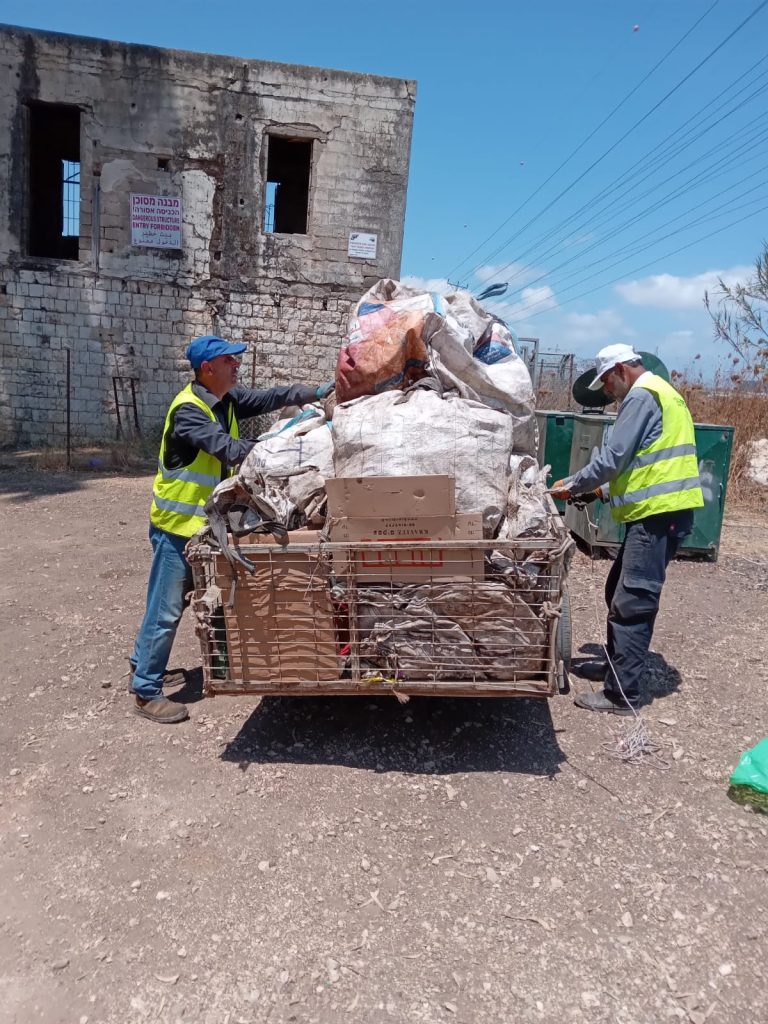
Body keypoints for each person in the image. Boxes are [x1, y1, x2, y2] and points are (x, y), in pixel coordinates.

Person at [130, 334, 334, 724]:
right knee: (167, 607)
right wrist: (283, 448)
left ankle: (142, 664)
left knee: (163, 601)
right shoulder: (189, 411)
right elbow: (227, 448)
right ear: (208, 369)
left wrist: (318, 390)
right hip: (177, 526)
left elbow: (277, 395)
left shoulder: (227, 399)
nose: (237, 366)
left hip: (201, 524)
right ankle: (145, 690)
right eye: (230, 361)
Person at [550, 343, 703, 716]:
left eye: (606, 384)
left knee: (632, 601)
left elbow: (615, 458)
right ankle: (614, 665)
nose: (606, 393)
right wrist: (600, 491)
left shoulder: (642, 397)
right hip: (658, 514)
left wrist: (576, 484)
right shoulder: (662, 395)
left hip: (658, 516)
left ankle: (622, 693)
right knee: (615, 590)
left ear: (620, 370)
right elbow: (644, 461)